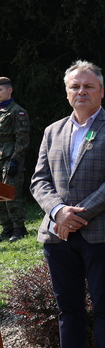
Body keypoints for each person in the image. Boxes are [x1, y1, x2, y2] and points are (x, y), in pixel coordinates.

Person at [30, 61, 105, 348]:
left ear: (102, 91)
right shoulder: (52, 131)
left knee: (104, 306)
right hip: (57, 235)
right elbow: (38, 180)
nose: (81, 92)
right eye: (75, 87)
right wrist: (58, 212)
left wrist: (77, 214)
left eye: (88, 86)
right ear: (67, 92)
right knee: (67, 309)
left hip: (98, 233)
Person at [0, 76, 29, 241]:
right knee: (0, 197)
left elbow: (22, 138)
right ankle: (7, 228)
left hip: (10, 158)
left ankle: (19, 229)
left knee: (9, 195)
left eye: (0, 90)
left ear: (9, 90)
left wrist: (15, 160)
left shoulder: (17, 111)